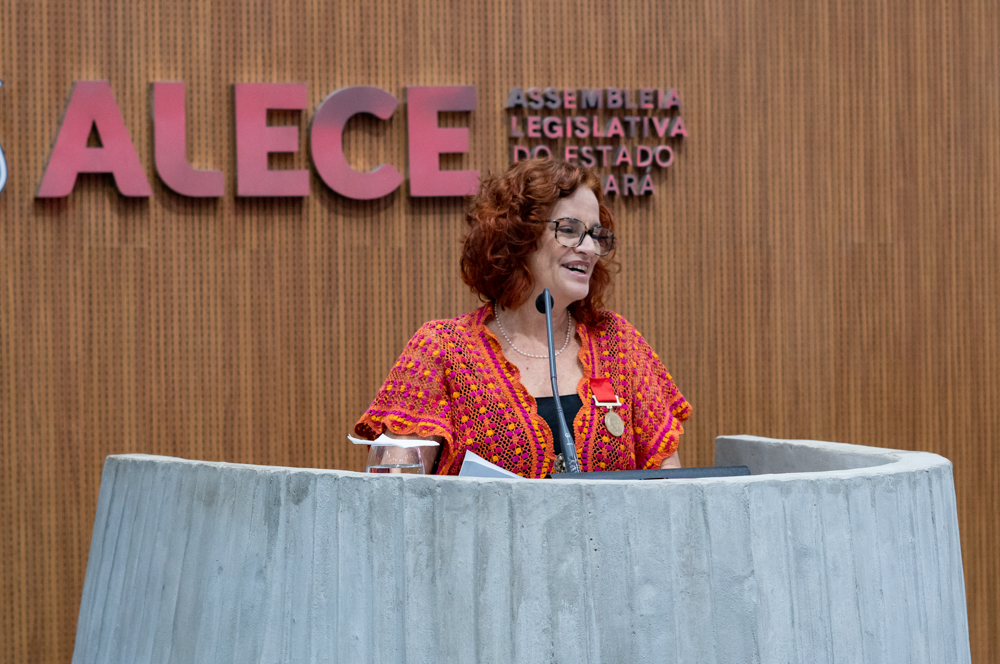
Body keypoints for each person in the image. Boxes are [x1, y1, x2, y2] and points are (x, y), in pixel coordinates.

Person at [354, 158, 690, 477]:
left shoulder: (618, 342)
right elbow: (394, 492)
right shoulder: (444, 349)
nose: (589, 249)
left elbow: (671, 488)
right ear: (518, 237)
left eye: (595, 234)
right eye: (569, 229)